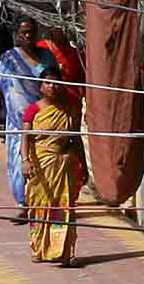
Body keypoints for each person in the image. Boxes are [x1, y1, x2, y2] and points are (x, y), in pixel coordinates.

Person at [0, 16, 55, 222]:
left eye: (31, 32)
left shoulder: (47, 57)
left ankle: (43, 203)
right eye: (24, 32)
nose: (28, 36)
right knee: (21, 163)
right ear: (16, 35)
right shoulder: (8, 59)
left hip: (44, 120)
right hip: (18, 124)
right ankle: (25, 205)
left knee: (44, 162)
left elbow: (56, 83)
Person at [24, 64, 86, 268]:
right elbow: (26, 138)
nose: (52, 87)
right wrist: (25, 161)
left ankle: (63, 251)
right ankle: (39, 248)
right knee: (40, 207)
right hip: (41, 166)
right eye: (47, 83)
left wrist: (83, 165)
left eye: (56, 83)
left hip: (64, 165)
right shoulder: (33, 110)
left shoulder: (69, 108)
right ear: (41, 86)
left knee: (63, 208)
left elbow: (76, 138)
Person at [36, 26, 87, 118]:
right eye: (57, 27)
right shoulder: (41, 47)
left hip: (71, 99)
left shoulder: (76, 51)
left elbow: (82, 77)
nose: (62, 30)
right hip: (49, 98)